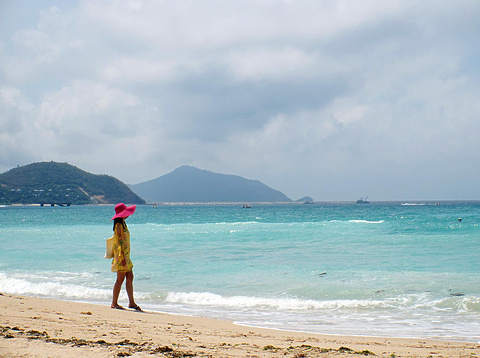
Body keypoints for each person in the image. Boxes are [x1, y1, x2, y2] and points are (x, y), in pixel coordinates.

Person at [110, 203, 142, 311]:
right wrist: (122, 257)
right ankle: (114, 303)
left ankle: (131, 302)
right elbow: (118, 242)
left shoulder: (123, 223)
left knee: (130, 277)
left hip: (126, 256)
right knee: (120, 279)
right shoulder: (118, 225)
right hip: (121, 256)